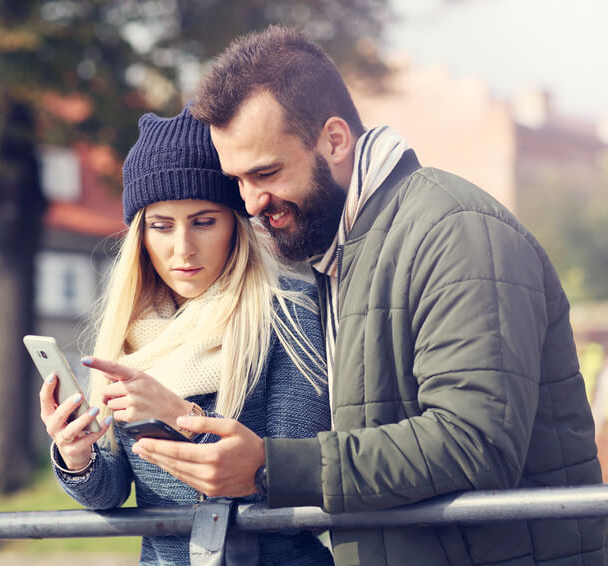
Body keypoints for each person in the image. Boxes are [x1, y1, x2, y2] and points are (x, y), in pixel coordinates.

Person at [128, 26, 607, 566]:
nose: (253, 202)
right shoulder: (343, 251)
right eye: (238, 180)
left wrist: (271, 466)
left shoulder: (455, 230)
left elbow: (475, 442)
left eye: (267, 172)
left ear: (334, 140)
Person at [38, 106, 334, 565]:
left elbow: (292, 492)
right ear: (140, 235)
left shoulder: (289, 317)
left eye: (203, 221)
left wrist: (180, 417)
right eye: (161, 226)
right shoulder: (131, 333)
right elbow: (111, 495)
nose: (182, 248)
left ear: (237, 223)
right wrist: (77, 456)